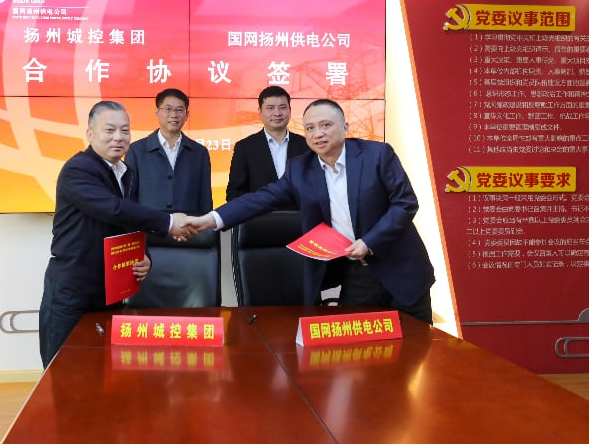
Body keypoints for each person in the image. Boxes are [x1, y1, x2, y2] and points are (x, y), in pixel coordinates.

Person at [186, 98, 435, 323]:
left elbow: (405, 203)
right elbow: (260, 199)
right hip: (358, 272)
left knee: (418, 347)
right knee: (359, 348)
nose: (318, 134)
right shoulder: (300, 169)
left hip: (403, 269)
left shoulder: (377, 155)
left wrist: (369, 242)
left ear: (345, 127)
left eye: (326, 125)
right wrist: (210, 219)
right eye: (310, 128)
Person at [39, 101, 195, 368]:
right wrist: (169, 222)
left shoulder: (126, 173)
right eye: (109, 130)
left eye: (124, 130)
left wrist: (144, 255)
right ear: (90, 134)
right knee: (63, 372)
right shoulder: (79, 169)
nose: (119, 137)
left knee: (104, 371)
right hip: (73, 290)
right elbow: (114, 210)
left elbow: (129, 221)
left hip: (110, 291)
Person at [125, 88, 212, 214]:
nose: (174, 115)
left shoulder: (199, 152)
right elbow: (129, 196)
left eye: (179, 110)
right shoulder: (136, 150)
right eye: (168, 109)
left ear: (187, 115)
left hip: (188, 224)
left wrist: (205, 223)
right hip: (149, 223)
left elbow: (205, 198)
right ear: (157, 112)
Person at [226, 86, 308, 204]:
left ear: (290, 111)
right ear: (260, 112)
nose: (277, 113)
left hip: (299, 214)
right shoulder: (245, 147)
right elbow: (235, 193)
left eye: (282, 107)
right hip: (259, 214)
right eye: (270, 108)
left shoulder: (306, 145)